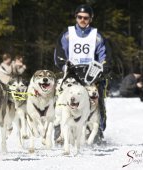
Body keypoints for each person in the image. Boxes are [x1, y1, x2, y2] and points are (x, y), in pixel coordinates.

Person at [54, 4, 110, 141]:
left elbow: (105, 56)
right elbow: (59, 54)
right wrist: (64, 66)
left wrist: (103, 69)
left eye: (86, 18)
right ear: (76, 17)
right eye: (80, 17)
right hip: (72, 73)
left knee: (98, 100)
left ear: (90, 19)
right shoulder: (67, 35)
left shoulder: (97, 36)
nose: (82, 20)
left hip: (92, 73)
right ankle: (60, 130)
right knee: (63, 99)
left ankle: (98, 129)